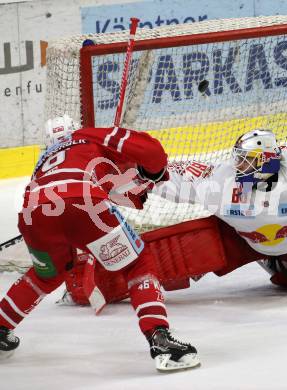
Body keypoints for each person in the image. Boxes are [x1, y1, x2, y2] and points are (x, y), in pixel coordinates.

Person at [56, 129, 287, 309]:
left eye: (247, 161)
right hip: (237, 240)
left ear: (269, 161)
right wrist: (118, 179)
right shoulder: (222, 180)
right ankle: (85, 284)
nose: (238, 166)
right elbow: (162, 175)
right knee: (162, 260)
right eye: (238, 158)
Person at [0, 115, 200, 372]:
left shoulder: (44, 160)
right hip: (81, 202)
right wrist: (153, 172)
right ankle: (160, 340)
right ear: (76, 129)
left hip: (33, 214)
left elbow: (107, 187)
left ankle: (2, 325)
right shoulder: (88, 136)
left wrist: (136, 183)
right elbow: (152, 152)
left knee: (46, 275)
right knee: (137, 263)